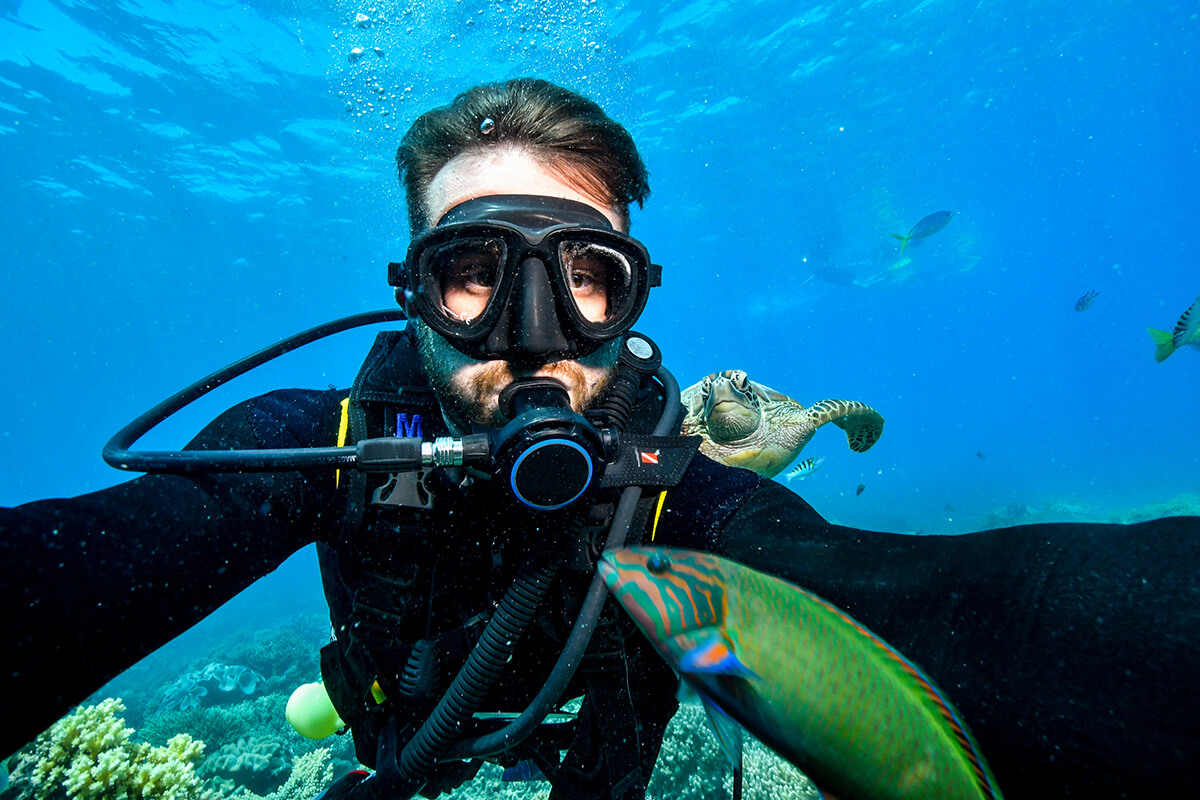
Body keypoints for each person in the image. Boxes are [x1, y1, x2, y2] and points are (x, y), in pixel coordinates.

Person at [1, 77, 1197, 800]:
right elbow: (100, 551)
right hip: (404, 726)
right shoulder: (321, 443)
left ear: (634, 296)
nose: (531, 337)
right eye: (473, 270)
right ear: (412, 291)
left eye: (587, 275)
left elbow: (911, 600)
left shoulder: (672, 482)